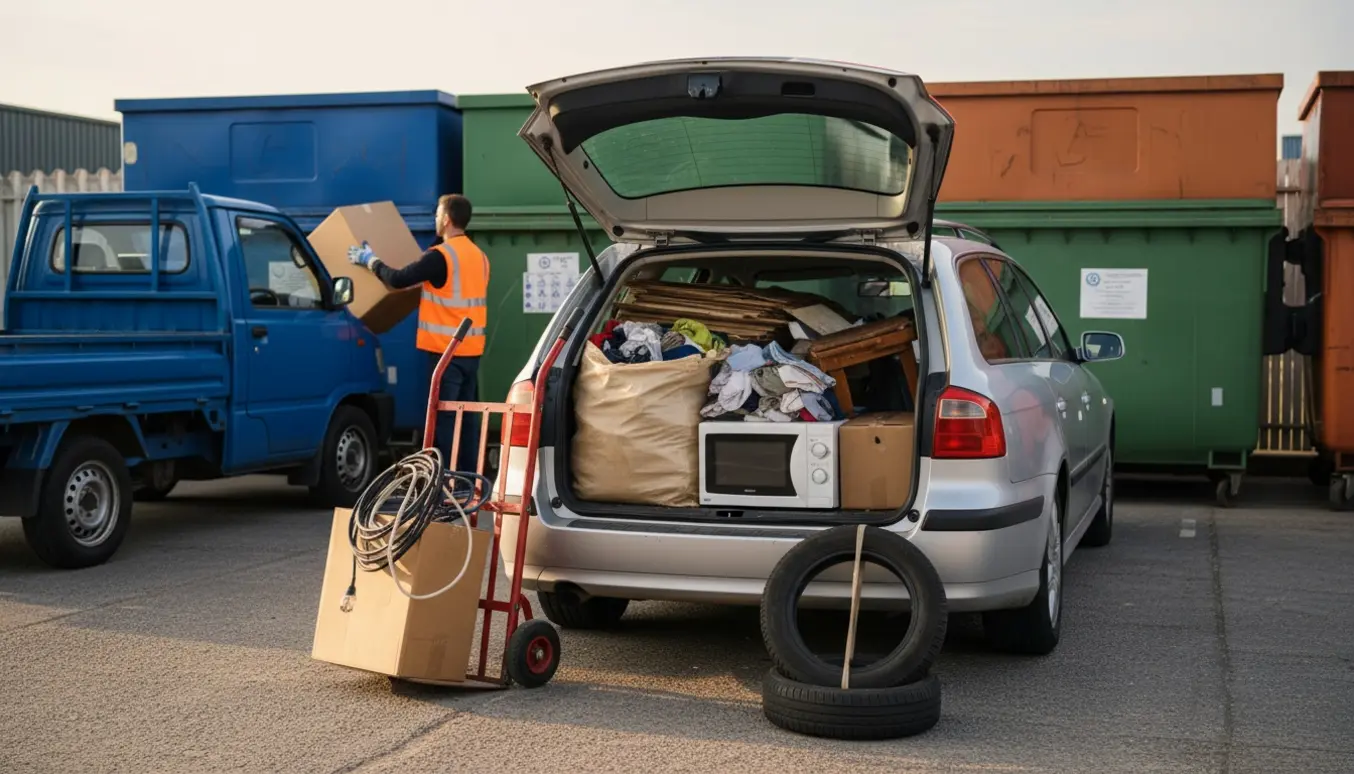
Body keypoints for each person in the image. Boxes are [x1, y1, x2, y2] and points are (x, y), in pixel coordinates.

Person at [347, 194, 489, 474]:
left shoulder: (441, 257)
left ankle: (444, 484)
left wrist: (369, 259)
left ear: (447, 219)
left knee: (444, 422)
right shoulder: (479, 256)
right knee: (468, 421)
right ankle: (470, 480)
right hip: (472, 353)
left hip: (445, 354)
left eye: (438, 214)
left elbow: (398, 279)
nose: (435, 218)